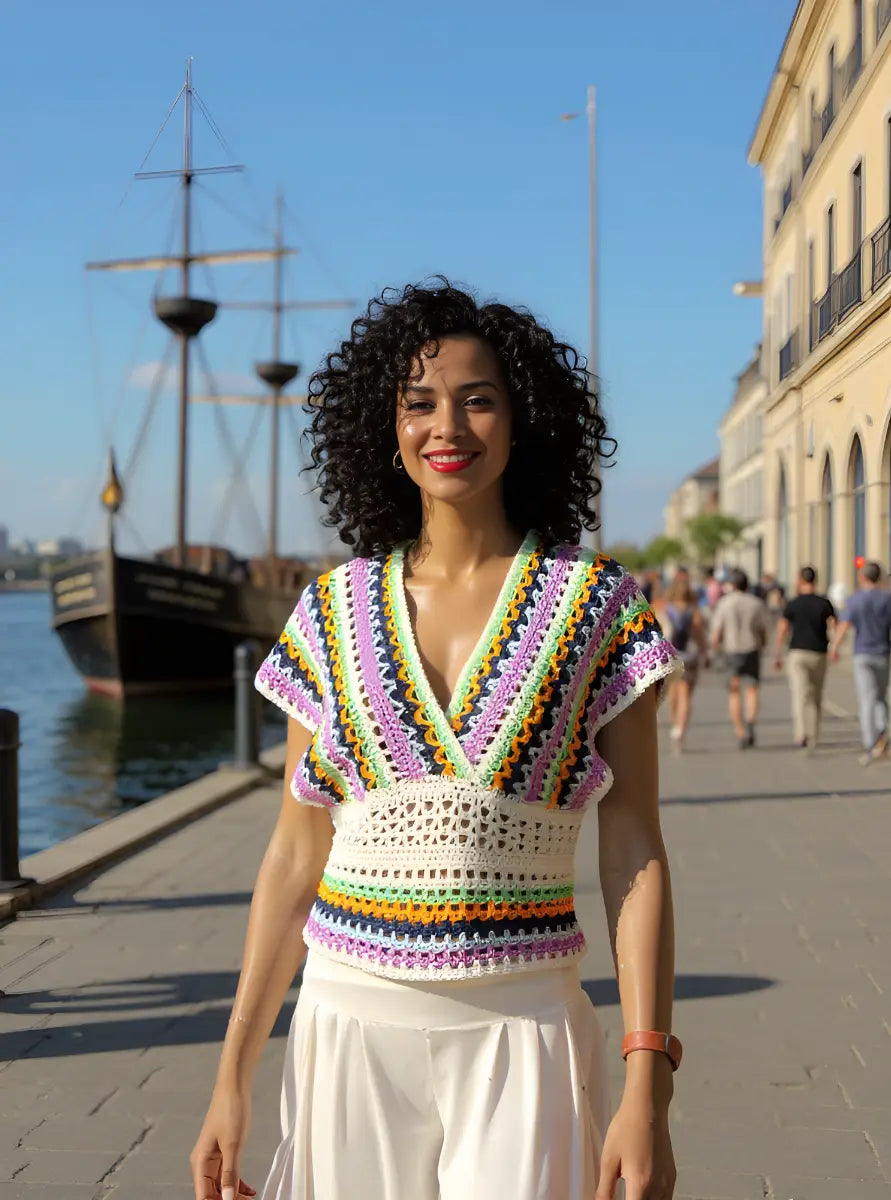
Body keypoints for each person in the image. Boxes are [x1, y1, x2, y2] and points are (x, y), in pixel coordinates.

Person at [189, 281, 684, 1200]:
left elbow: (634, 850)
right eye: (418, 402)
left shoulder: (598, 608)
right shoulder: (328, 612)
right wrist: (231, 1080)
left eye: (477, 399)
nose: (445, 426)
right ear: (387, 428)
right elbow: (294, 855)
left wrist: (646, 1084)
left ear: (522, 420)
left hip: (525, 1034)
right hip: (346, 1028)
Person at [830, 560, 891, 766]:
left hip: (862, 654)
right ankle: (882, 734)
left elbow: (844, 625)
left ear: (861, 577)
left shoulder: (855, 600)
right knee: (881, 697)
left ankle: (870, 741)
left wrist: (834, 647)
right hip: (882, 653)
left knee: (867, 700)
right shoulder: (886, 598)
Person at [773, 566, 835, 752]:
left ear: (800, 581)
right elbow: (834, 624)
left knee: (800, 694)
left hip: (798, 653)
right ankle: (814, 733)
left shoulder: (793, 604)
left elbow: (783, 628)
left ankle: (802, 733)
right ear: (815, 580)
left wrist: (777, 653)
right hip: (819, 653)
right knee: (816, 695)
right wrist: (834, 646)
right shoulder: (824, 603)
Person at [710, 568, 769, 749]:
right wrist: (763, 643)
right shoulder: (756, 603)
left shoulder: (725, 603)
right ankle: (750, 721)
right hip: (751, 648)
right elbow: (763, 628)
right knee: (752, 688)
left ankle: (740, 730)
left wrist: (715, 649)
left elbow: (716, 632)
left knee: (734, 691)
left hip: (732, 649)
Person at [656, 575, 709, 752]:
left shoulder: (664, 609)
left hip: (669, 657)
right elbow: (700, 636)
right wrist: (705, 653)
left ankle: (675, 725)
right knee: (685, 695)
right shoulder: (694, 612)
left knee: (673, 694)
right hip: (689, 657)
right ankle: (681, 730)